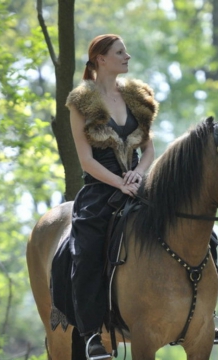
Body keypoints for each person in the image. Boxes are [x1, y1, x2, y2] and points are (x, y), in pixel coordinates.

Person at [62, 34, 158, 358]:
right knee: (86, 250)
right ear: (101, 58)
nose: (127, 56)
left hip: (137, 182)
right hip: (100, 190)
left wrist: (138, 175)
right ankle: (91, 335)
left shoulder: (137, 96)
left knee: (189, 217)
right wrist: (119, 183)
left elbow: (149, 150)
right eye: (120, 52)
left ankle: (205, 312)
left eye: (126, 51)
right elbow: (86, 160)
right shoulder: (80, 102)